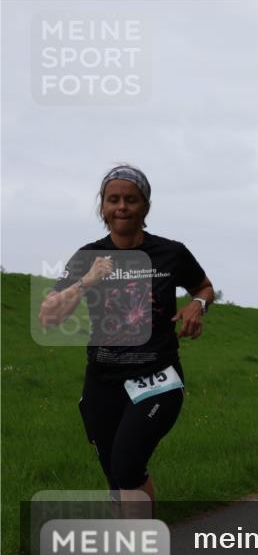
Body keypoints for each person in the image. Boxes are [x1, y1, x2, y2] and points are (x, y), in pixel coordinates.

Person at [38, 164, 214, 518]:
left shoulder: (171, 252)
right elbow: (49, 316)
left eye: (131, 200)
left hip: (157, 376)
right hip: (103, 379)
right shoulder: (87, 257)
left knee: (127, 464)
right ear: (102, 206)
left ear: (145, 206)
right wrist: (87, 280)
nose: (122, 206)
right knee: (114, 472)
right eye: (113, 199)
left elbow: (204, 287)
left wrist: (198, 305)